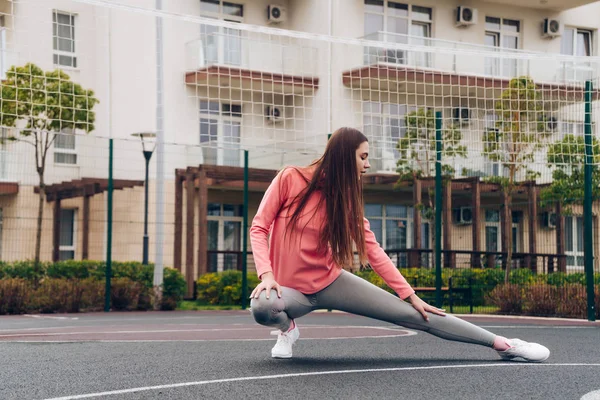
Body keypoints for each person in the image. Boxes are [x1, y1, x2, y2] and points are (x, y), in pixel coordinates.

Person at [248, 127, 550, 362]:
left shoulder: (346, 202)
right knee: (263, 305)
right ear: (343, 156)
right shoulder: (291, 178)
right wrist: (267, 276)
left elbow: (374, 251)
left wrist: (410, 295)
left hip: (329, 281)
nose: (368, 164)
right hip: (288, 291)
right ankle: (287, 331)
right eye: (363, 156)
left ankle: (503, 344)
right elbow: (259, 227)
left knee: (418, 315)